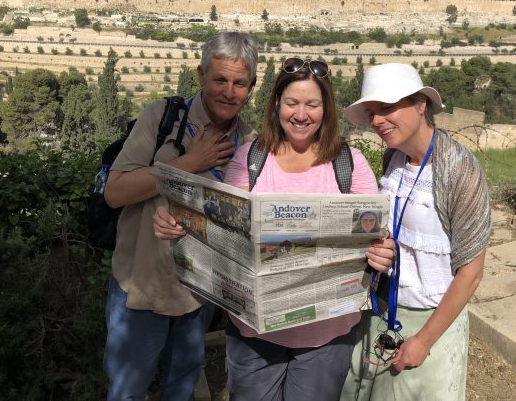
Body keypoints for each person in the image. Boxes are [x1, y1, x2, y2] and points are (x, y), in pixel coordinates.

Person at [155, 57, 396, 401]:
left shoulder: (349, 163)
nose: (301, 114)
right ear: (277, 105)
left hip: (327, 338)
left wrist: (381, 251)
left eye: (312, 104)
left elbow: (373, 236)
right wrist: (178, 226)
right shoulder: (250, 158)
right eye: (292, 103)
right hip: (254, 336)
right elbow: (221, 229)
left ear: (326, 109)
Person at [103, 32, 258, 401]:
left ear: (252, 87)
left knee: (182, 387)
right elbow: (115, 192)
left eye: (240, 83)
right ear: (201, 75)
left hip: (198, 295)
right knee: (127, 390)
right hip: (139, 287)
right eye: (220, 79)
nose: (228, 91)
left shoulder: (250, 143)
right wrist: (187, 165)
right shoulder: (162, 118)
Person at [340, 63, 491, 401]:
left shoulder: (459, 170)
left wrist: (423, 340)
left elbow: (472, 273)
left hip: (431, 322)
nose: (377, 121)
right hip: (385, 313)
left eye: (387, 108)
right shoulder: (393, 160)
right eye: (372, 112)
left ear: (421, 104)